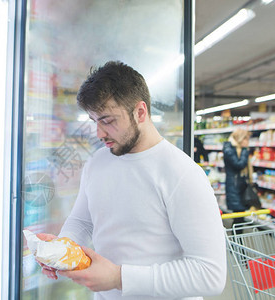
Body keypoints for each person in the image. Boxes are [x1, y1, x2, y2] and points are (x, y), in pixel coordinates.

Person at [37, 61, 226, 299]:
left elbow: (209, 274)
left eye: (108, 121)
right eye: (95, 121)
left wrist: (119, 278)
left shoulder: (182, 174)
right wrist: (61, 252)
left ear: (140, 112)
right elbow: (82, 221)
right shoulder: (97, 162)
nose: (99, 133)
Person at [222, 128, 253, 230]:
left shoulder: (236, 149)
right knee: (238, 218)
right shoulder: (229, 149)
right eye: (246, 139)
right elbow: (238, 165)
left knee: (240, 218)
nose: (247, 142)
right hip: (234, 187)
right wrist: (245, 151)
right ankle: (236, 242)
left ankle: (237, 242)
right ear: (240, 139)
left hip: (240, 187)